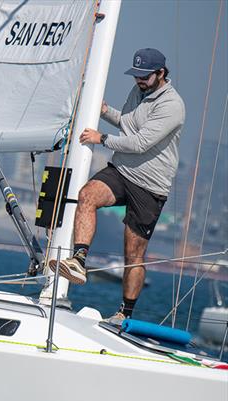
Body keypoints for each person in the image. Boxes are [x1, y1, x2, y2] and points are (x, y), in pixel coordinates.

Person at [51, 48, 185, 324]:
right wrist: (103, 111)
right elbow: (128, 125)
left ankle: (125, 313)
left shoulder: (172, 106)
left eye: (144, 76)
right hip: (122, 170)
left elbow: (140, 143)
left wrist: (101, 139)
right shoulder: (137, 91)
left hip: (150, 185)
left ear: (161, 73)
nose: (139, 81)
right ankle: (78, 260)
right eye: (136, 75)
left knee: (133, 255)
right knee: (87, 195)